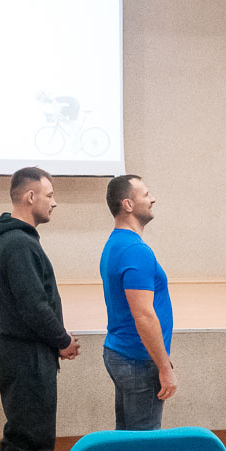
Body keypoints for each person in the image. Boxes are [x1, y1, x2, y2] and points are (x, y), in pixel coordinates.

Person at [0, 167, 79, 451]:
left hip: (21, 352)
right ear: (30, 197)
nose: (54, 202)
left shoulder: (14, 240)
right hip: (25, 354)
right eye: (49, 194)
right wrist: (63, 341)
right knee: (26, 439)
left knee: (20, 435)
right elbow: (33, 305)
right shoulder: (19, 244)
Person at [99, 175, 176, 430]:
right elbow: (143, 315)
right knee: (145, 444)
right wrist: (164, 367)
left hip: (123, 354)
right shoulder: (135, 250)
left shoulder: (116, 244)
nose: (153, 199)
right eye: (146, 194)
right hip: (138, 360)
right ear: (128, 205)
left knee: (127, 440)